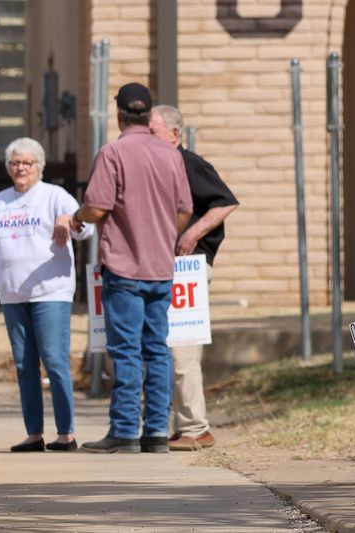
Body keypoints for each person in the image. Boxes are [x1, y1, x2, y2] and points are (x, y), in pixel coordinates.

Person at [71, 83, 193, 454]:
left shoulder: (113, 153)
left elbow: (97, 208)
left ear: (120, 114)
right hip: (160, 267)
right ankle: (156, 432)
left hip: (124, 268)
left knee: (125, 351)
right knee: (156, 348)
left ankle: (124, 430)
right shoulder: (171, 154)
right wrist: (164, 234)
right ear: (148, 113)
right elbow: (185, 209)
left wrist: (77, 215)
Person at [0, 137, 94, 452]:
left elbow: (86, 229)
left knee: (55, 359)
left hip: (51, 291)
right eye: (16, 163)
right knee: (23, 364)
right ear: (9, 168)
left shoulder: (55, 195)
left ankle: (66, 433)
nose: (21, 168)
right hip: (12, 293)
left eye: (27, 163)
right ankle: (34, 433)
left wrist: (69, 220)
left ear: (39, 167)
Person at [149, 105, 239, 451]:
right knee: (168, 348)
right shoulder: (158, 165)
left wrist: (191, 235)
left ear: (174, 134)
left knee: (183, 349)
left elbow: (224, 202)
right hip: (163, 266)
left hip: (190, 266)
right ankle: (183, 425)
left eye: (153, 131)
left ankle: (196, 428)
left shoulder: (189, 164)